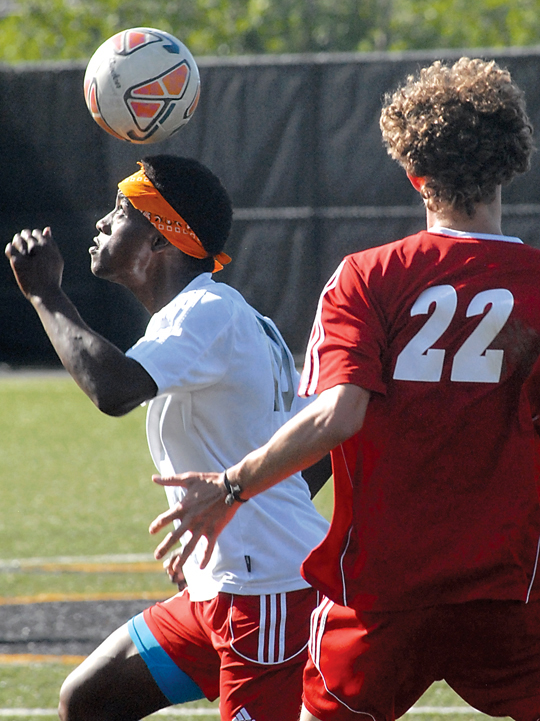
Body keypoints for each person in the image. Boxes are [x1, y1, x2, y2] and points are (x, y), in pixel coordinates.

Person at [147, 57, 540, 721]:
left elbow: (337, 415)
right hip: (506, 589)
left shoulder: (368, 277)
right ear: (508, 164)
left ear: (416, 176)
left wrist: (231, 485)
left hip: (380, 593)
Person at [5, 154, 330, 721]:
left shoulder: (207, 310)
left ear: (162, 240)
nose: (104, 222)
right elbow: (307, 457)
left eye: (123, 211)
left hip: (267, 594)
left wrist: (46, 296)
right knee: (89, 701)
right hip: (225, 586)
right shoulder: (229, 317)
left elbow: (115, 389)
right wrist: (220, 524)